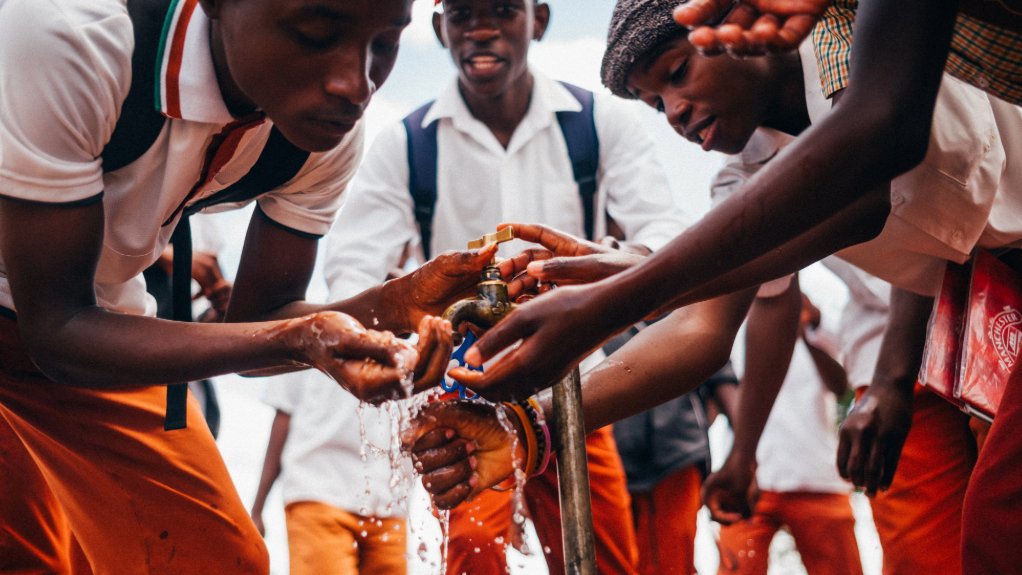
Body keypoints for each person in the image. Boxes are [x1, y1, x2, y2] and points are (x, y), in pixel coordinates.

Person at [414, 1, 1022, 571]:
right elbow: (702, 326)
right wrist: (528, 425)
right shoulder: (742, 177)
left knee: (1000, 521)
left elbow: (865, 181)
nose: (674, 112)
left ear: (740, 21)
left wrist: (625, 291)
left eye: (677, 73)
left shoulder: (843, 39)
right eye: (655, 104)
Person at [0, 0, 497, 572]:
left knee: (217, 560)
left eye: (384, 45)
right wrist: (296, 337)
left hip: (84, 326)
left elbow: (259, 330)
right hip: (58, 324)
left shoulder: (319, 137)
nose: (353, 85)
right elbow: (55, 329)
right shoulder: (76, 35)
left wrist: (394, 306)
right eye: (315, 33)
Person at [323, 0, 688, 571]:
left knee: (602, 558)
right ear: (441, 28)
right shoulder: (405, 145)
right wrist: (410, 320)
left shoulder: (599, 124)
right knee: (471, 554)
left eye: (502, 11)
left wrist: (595, 269)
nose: (482, 30)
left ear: (538, 20)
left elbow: (666, 242)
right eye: (464, 15)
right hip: (465, 395)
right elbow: (352, 269)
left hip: (578, 391)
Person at [713, 287, 862, 575]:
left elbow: (841, 384)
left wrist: (805, 328)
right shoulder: (728, 319)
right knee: (736, 566)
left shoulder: (818, 319)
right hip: (749, 478)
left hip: (815, 476)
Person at [250, 369, 411, 575]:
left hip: (390, 503)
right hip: (318, 488)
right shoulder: (302, 338)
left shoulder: (416, 344)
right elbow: (284, 414)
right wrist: (258, 508)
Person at [611, 361, 739, 575]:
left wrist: (745, 455)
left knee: (674, 563)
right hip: (611, 458)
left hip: (678, 458)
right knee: (612, 562)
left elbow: (719, 370)